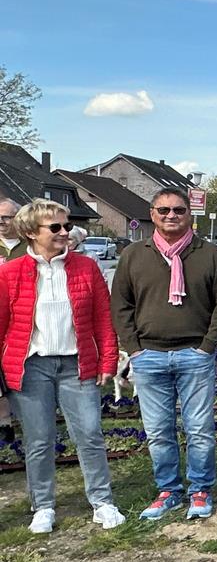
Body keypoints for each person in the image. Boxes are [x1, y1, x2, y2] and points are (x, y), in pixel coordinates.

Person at [0, 200, 125, 533]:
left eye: (67, 226)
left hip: (77, 364)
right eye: (55, 227)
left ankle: (102, 502)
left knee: (90, 435)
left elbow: (103, 318)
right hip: (31, 368)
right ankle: (43, 506)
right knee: (39, 440)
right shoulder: (9, 273)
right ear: (30, 232)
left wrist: (108, 360)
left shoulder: (87, 267)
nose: (64, 232)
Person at [111, 188, 217, 521]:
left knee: (199, 429)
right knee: (158, 431)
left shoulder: (210, 255)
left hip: (194, 355)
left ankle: (200, 490)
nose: (171, 216)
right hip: (148, 355)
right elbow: (121, 305)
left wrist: (207, 347)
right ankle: (168, 490)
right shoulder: (135, 255)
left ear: (188, 214)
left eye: (178, 210)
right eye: (163, 210)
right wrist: (133, 350)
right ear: (152, 214)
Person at [0, 198, 19, 442]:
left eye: (6, 217)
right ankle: (5, 422)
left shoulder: (30, 246)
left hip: (22, 318)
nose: (1, 222)